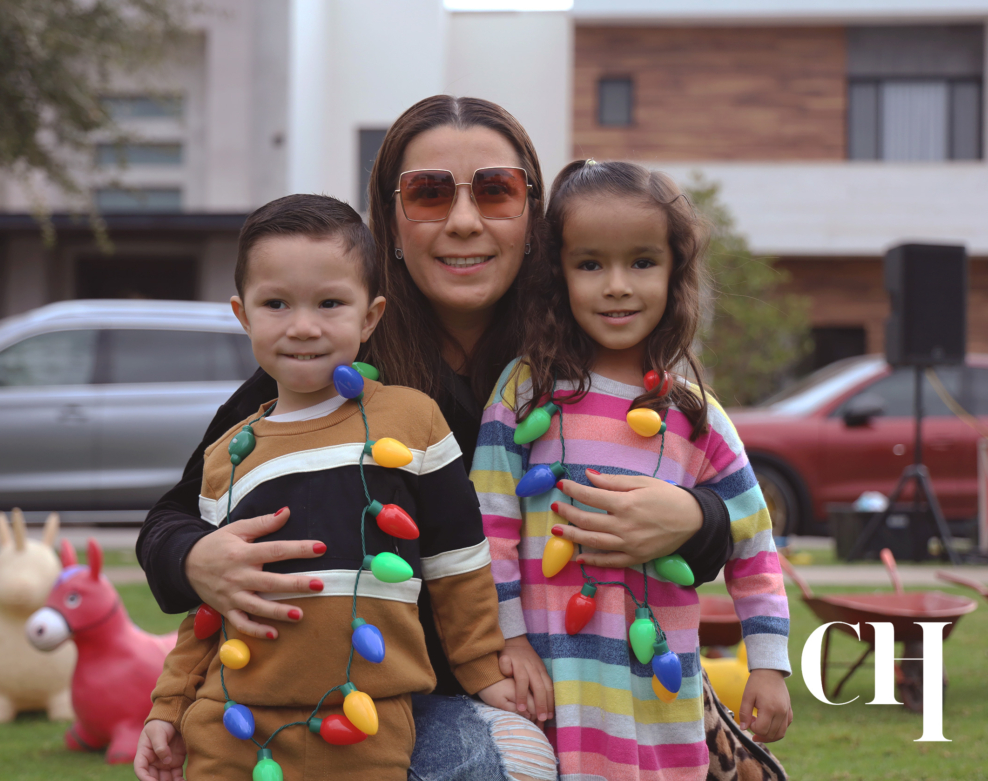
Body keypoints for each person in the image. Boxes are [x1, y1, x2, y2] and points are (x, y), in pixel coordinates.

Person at [136, 96, 732, 781]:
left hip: (582, 684)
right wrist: (194, 558)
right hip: (397, 700)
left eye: (496, 190)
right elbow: (175, 518)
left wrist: (696, 519)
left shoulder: (589, 347)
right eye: (428, 193)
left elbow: (722, 497)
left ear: (533, 218)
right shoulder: (327, 359)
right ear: (390, 221)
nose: (464, 220)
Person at [134, 194, 519, 781]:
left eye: (330, 303)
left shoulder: (413, 421)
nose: (303, 326)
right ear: (243, 315)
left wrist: (482, 669)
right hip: (230, 726)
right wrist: (169, 706)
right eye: (276, 304)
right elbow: (210, 606)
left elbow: (458, 563)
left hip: (367, 726)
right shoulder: (227, 454)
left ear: (370, 316)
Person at [473, 160, 793, 781]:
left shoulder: (696, 416)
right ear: (558, 275)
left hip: (660, 702)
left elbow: (753, 542)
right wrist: (508, 642)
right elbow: (491, 527)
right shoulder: (523, 393)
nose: (617, 286)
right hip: (553, 685)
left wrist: (768, 665)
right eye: (590, 264)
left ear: (675, 272)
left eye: (642, 262)